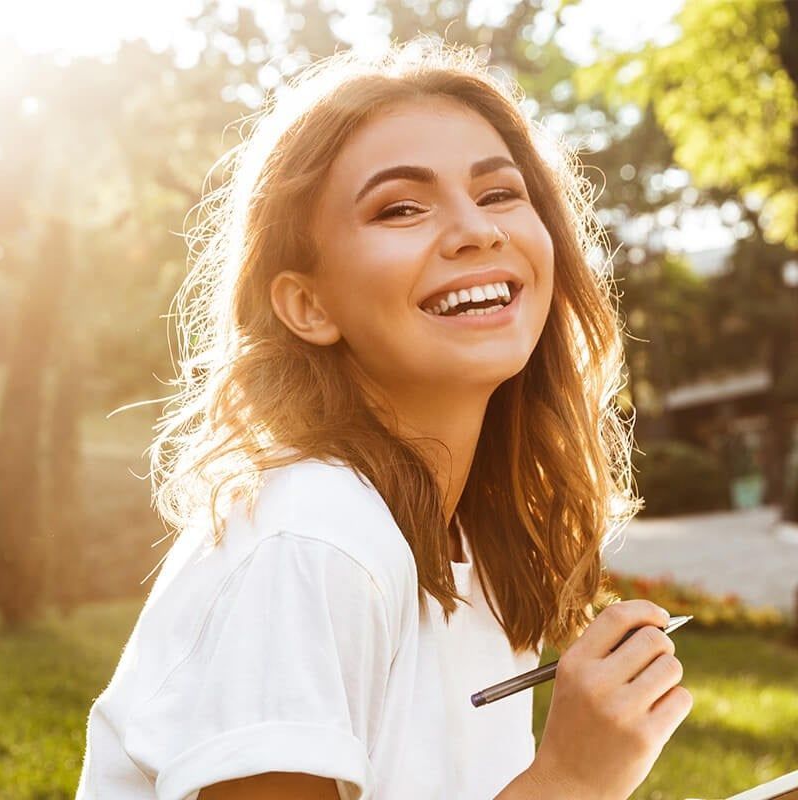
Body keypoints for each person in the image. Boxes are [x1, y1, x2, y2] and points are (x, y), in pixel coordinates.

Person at [75, 35, 692, 800]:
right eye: (401, 207)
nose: (478, 229)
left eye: (499, 193)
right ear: (309, 304)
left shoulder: (470, 546)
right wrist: (573, 778)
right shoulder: (313, 537)